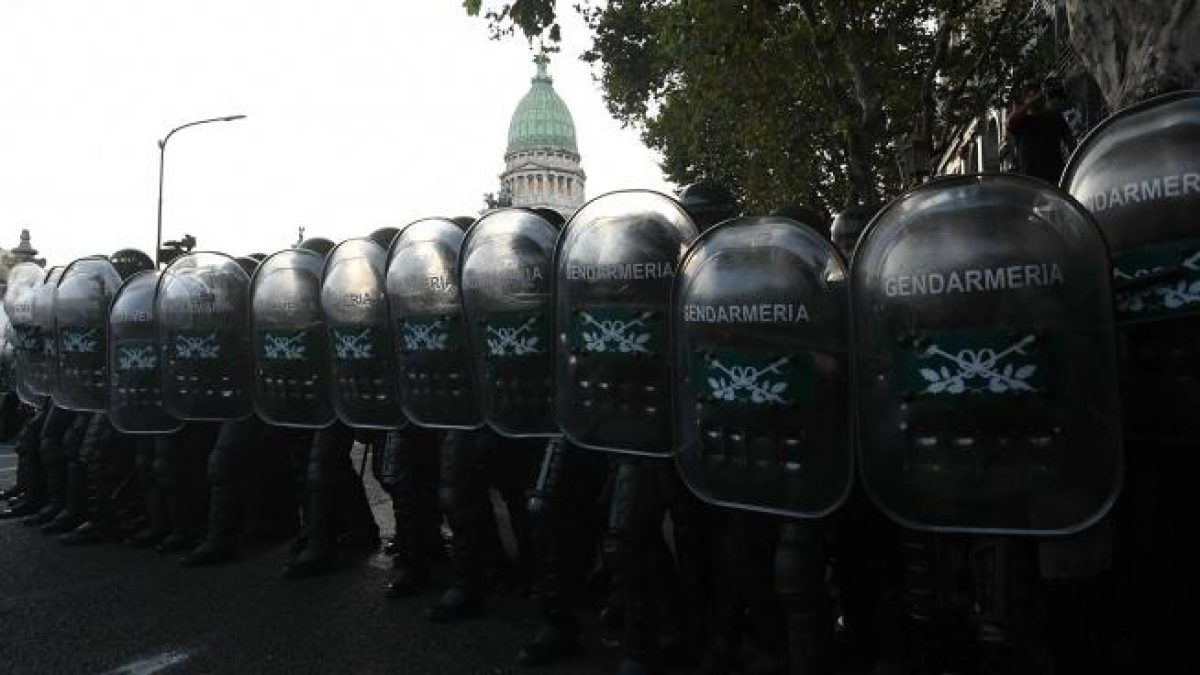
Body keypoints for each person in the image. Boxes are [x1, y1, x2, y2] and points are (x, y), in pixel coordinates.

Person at [1006, 79, 1074, 183]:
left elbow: (1070, 142)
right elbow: (1010, 123)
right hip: (1029, 179)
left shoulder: (1054, 117)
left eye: (1038, 92)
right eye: (1030, 94)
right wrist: (1029, 103)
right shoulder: (1021, 121)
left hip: (1054, 175)